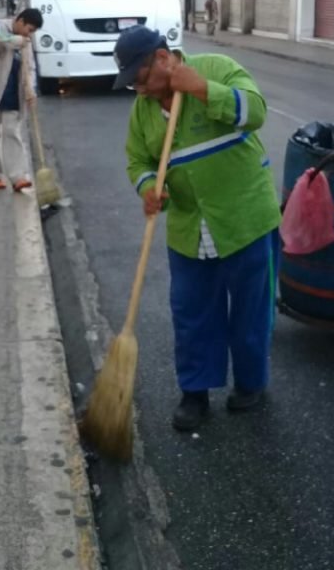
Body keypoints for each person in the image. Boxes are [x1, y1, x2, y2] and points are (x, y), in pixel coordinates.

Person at [113, 25, 281, 432]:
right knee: (191, 313)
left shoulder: (218, 69)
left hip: (245, 219)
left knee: (250, 311)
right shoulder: (145, 110)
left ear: (163, 58)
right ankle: (195, 392)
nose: (141, 90)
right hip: (190, 228)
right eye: (133, 84)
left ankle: (251, 384)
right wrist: (148, 186)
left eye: (142, 79)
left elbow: (256, 111)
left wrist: (204, 89)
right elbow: (137, 159)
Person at [0, 9, 43, 191]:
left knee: (13, 135)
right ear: (20, 21)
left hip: (13, 96)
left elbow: (31, 68)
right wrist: (11, 40)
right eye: (29, 28)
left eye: (33, 31)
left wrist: (31, 89)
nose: (29, 34)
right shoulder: (0, 26)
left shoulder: (26, 43)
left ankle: (18, 176)